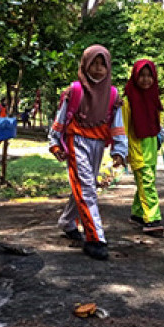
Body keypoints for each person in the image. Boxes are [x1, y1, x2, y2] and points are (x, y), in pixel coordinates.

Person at [48, 45, 127, 260]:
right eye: (94, 63)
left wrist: (119, 149)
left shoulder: (112, 94)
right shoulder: (74, 90)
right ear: (85, 64)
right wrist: (55, 143)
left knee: (85, 185)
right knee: (87, 188)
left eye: (103, 64)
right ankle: (95, 238)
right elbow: (61, 117)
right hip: (75, 141)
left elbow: (117, 123)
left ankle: (66, 222)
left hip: (98, 143)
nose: (99, 69)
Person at [122, 59, 164, 237]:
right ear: (134, 77)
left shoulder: (152, 98)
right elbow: (122, 129)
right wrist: (122, 152)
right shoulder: (127, 102)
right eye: (141, 76)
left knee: (146, 182)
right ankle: (152, 219)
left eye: (149, 76)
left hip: (151, 147)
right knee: (147, 182)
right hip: (137, 147)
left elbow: (156, 123)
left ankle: (138, 214)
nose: (145, 80)